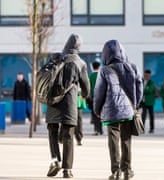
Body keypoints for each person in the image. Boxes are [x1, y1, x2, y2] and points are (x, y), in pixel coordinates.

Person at [94, 40, 143, 180]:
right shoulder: (132, 67)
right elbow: (139, 87)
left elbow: (99, 92)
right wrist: (135, 104)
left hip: (111, 110)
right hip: (128, 109)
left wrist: (97, 109)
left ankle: (115, 171)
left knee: (113, 140)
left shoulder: (104, 70)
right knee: (126, 139)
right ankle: (127, 170)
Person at [46, 34, 90, 178]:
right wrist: (84, 94)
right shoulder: (80, 63)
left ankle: (55, 160)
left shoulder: (55, 58)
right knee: (68, 136)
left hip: (53, 102)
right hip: (69, 104)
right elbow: (86, 88)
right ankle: (67, 170)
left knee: (52, 133)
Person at [88, 61, 103, 135]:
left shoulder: (91, 76)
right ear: (99, 67)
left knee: (94, 114)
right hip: (101, 97)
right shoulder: (101, 75)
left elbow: (89, 88)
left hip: (94, 97)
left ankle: (96, 130)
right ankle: (101, 130)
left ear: (92, 67)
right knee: (101, 113)